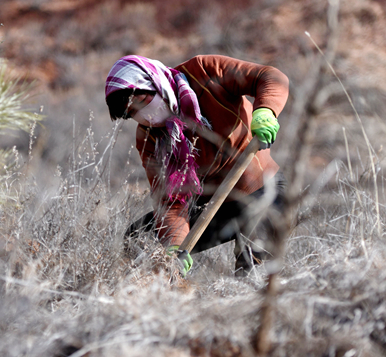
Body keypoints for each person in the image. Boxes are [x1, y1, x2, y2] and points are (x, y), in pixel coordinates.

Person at [105, 55, 289, 274]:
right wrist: (173, 247)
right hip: (210, 206)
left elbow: (269, 77)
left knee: (252, 265)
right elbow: (170, 200)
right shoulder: (149, 138)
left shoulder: (203, 72)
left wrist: (266, 110)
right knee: (138, 238)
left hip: (262, 192)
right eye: (133, 113)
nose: (146, 116)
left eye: (143, 101)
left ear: (154, 81)